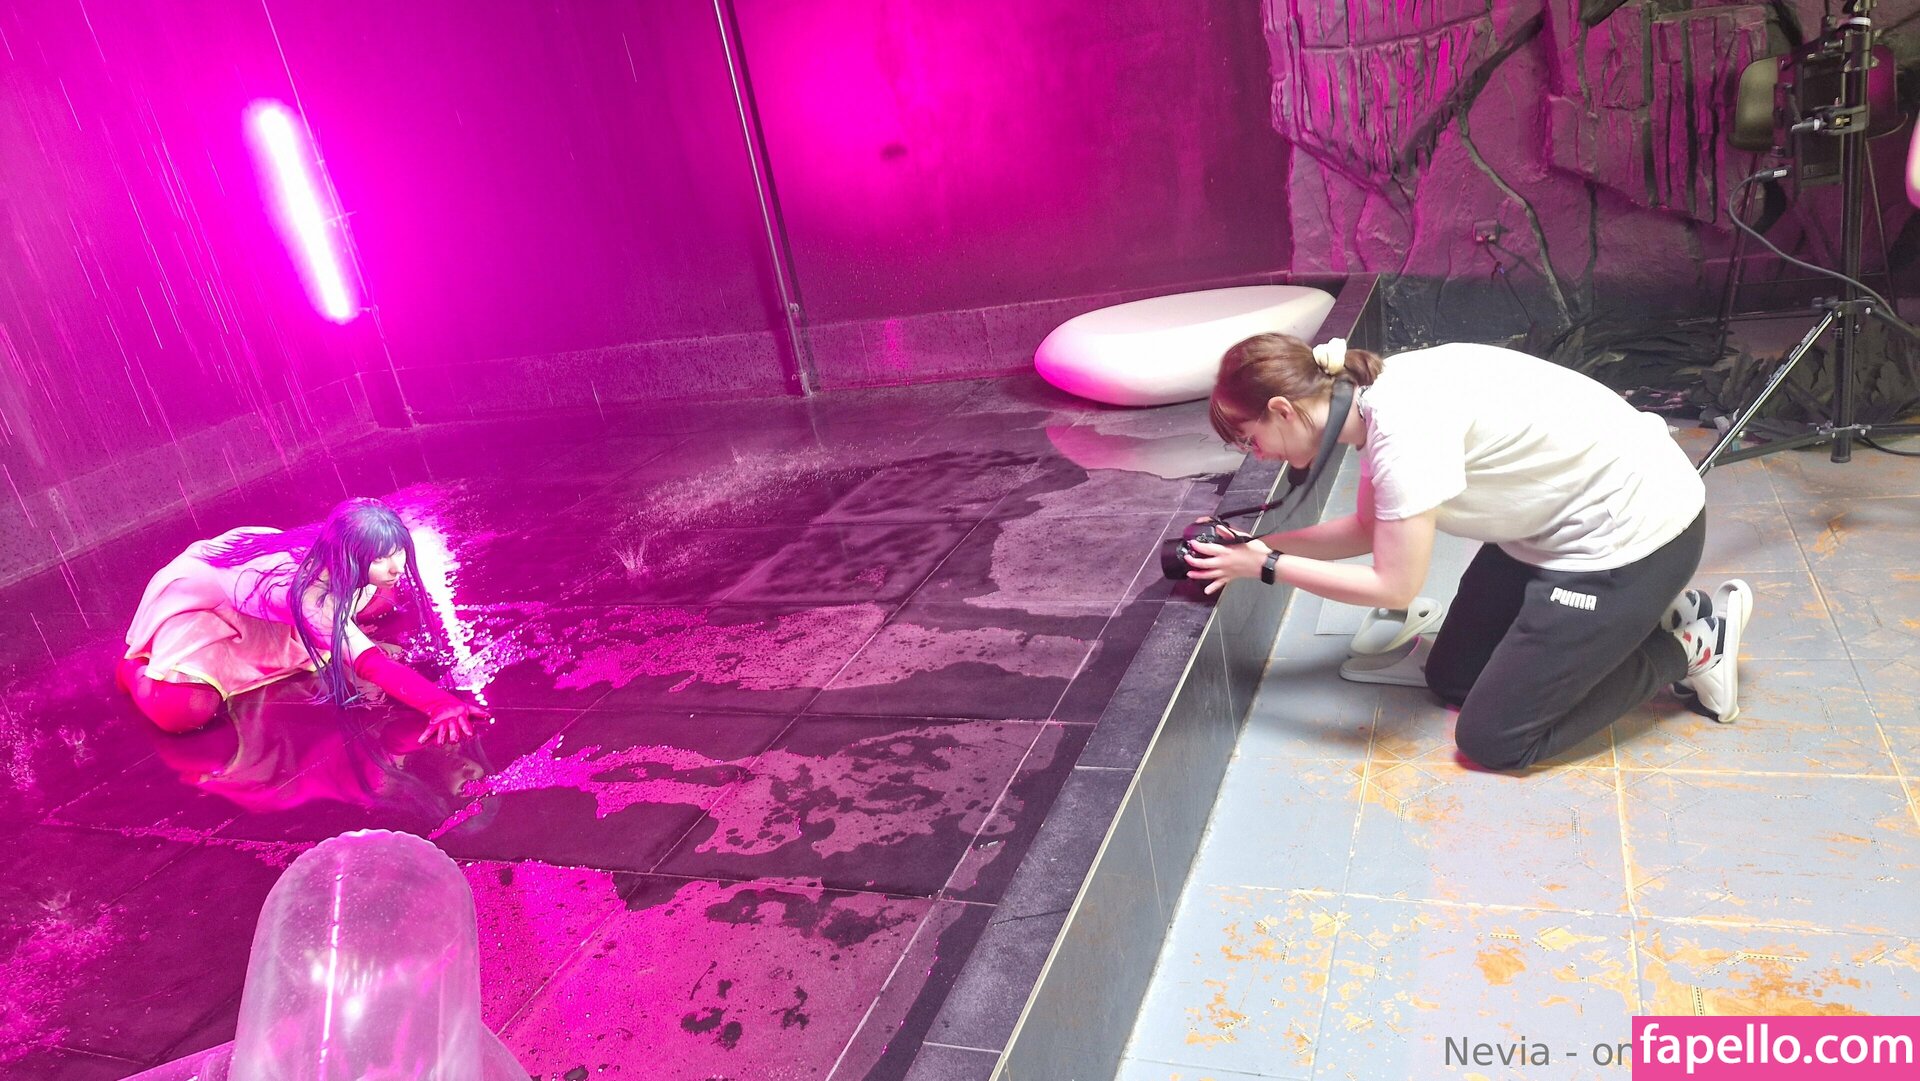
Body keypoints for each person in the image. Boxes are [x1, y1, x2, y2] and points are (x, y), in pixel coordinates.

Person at [1183, 334, 1753, 771]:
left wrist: (1266, 566)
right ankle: (1641, 614)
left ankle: (1692, 646)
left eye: (1249, 437)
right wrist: (1257, 545)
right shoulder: (1373, 394)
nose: (1256, 455)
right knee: (1453, 680)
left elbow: (1394, 586)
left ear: (1283, 409)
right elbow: (1365, 529)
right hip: (1551, 527)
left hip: (1631, 539)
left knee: (1494, 740)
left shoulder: (1403, 434)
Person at [117, 497, 490, 745]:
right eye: (381, 559)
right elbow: (370, 663)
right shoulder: (303, 592)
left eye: (397, 552)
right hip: (209, 602)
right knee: (183, 711)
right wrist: (439, 704)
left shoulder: (338, 550)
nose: (396, 567)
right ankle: (132, 671)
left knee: (381, 601)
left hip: (264, 581)